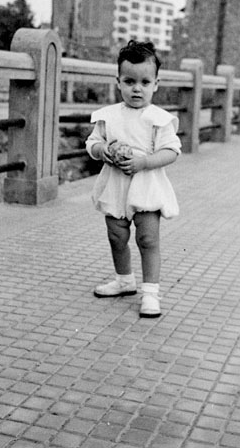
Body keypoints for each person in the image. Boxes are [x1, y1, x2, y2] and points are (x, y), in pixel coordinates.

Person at [85, 40, 181, 318]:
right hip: (116, 184)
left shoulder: (158, 118)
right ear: (118, 81)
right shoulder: (108, 116)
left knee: (148, 238)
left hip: (146, 185)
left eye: (144, 82)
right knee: (117, 234)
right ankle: (124, 280)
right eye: (129, 81)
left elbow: (172, 151)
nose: (136, 88)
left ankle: (150, 292)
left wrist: (144, 162)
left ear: (156, 84)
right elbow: (92, 143)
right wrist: (103, 150)